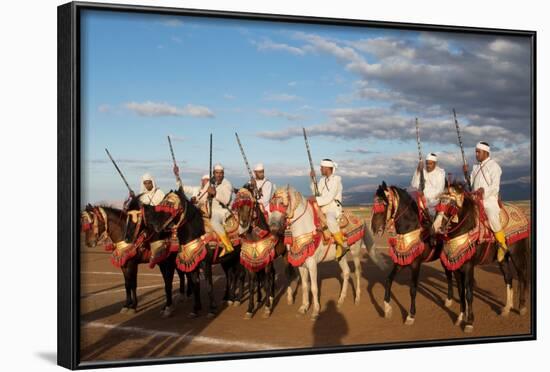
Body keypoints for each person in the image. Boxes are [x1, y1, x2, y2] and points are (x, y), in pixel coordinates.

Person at [463, 141, 506, 262]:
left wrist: (483, 190)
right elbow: (471, 185)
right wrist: (465, 174)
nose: (476, 154)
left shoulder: (494, 166)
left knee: (492, 217)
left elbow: (495, 186)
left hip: (489, 200)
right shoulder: (476, 167)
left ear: (486, 152)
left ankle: (502, 245)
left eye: (478, 152)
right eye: (476, 152)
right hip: (475, 200)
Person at [309, 159, 347, 260]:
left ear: (327, 168)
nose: (320, 169)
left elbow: (329, 197)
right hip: (323, 207)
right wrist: (313, 179)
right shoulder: (322, 180)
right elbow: (316, 192)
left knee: (330, 219)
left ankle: (341, 245)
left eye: (322, 167)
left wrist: (316, 199)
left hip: (333, 207)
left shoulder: (336, 180)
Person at [410, 152, 446, 218]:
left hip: (434, 204)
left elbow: (439, 191)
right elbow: (414, 184)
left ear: (435, 163)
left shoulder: (440, 174)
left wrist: (424, 194)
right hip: (421, 203)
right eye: (426, 163)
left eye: (430, 163)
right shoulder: (423, 171)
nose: (428, 165)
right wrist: (418, 170)